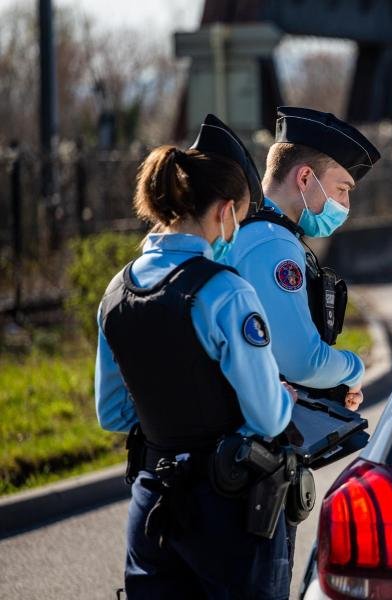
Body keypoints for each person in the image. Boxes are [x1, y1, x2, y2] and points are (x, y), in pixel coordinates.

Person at [95, 114, 296, 600]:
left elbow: (113, 413)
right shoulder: (226, 292)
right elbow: (268, 417)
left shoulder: (116, 292)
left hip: (152, 507)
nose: (236, 231)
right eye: (240, 218)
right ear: (225, 211)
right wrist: (284, 397)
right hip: (227, 512)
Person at [224, 106, 381, 413]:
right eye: (342, 189)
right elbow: (303, 362)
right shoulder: (272, 242)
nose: (345, 204)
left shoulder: (246, 224)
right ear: (306, 177)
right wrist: (353, 369)